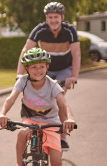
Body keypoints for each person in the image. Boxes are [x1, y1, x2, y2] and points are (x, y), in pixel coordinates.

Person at [0, 47, 76, 166]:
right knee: (21, 133)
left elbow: (63, 104)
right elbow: (10, 99)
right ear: (27, 68)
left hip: (51, 123)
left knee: (57, 161)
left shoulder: (52, 84)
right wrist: (2, 113)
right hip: (30, 119)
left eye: (41, 66)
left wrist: (70, 118)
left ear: (47, 67)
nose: (38, 70)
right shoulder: (23, 81)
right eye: (34, 67)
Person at [16, 2, 80, 151]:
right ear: (47, 18)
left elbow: (76, 54)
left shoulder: (70, 31)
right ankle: (40, 129)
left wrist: (74, 76)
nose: (53, 20)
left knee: (59, 98)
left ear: (62, 17)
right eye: (50, 17)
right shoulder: (40, 30)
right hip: (46, 68)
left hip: (64, 69)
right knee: (40, 97)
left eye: (56, 17)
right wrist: (19, 73)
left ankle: (62, 137)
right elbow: (26, 50)